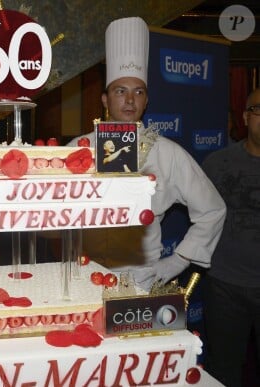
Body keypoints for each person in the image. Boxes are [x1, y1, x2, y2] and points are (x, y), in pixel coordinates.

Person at [67, 17, 226, 290]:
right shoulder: (77, 150)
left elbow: (213, 209)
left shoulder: (167, 154)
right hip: (82, 275)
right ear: (105, 100)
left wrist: (175, 263)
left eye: (138, 92)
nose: (130, 100)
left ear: (146, 100)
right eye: (120, 91)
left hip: (139, 279)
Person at [201, 88, 260, 387]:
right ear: (246, 115)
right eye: (259, 109)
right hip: (225, 286)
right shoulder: (217, 163)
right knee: (223, 372)